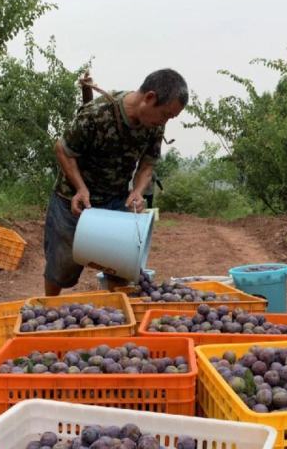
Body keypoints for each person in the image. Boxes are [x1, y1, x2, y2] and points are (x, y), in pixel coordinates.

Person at [44, 68, 188, 296]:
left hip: (114, 200)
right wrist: (81, 188)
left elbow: (148, 163)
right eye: (165, 114)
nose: (165, 121)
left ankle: (120, 315)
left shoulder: (154, 125)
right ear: (149, 98)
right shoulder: (98, 114)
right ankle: (46, 310)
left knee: (121, 266)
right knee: (60, 269)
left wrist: (138, 191)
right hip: (74, 201)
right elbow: (63, 150)